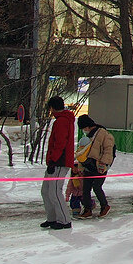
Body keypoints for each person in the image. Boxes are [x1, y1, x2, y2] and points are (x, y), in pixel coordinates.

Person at [41, 96, 75, 230]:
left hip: (59, 162)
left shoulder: (61, 121)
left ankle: (64, 220)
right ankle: (52, 218)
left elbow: (60, 143)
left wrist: (53, 160)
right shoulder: (63, 120)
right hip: (55, 161)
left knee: (55, 191)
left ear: (52, 108)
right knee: (46, 190)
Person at [77, 114, 115, 218]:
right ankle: (87, 209)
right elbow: (82, 152)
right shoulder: (88, 137)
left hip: (100, 166)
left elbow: (108, 150)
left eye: (84, 128)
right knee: (86, 188)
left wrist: (103, 163)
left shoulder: (103, 134)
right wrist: (81, 167)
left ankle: (104, 206)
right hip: (88, 166)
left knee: (97, 187)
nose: (84, 131)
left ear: (88, 126)